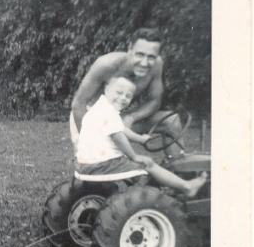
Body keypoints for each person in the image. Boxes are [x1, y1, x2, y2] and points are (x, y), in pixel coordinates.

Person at [76, 75, 206, 197]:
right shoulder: (109, 113)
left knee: (139, 164)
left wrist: (141, 139)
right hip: (104, 165)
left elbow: (123, 130)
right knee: (147, 163)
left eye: (128, 96)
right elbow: (118, 136)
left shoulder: (100, 107)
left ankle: (149, 189)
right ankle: (187, 187)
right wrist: (134, 156)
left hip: (85, 164)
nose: (123, 98)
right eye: (119, 93)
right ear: (106, 89)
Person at [71, 28, 183, 157]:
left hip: (119, 119)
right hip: (91, 121)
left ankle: (179, 169)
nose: (144, 63)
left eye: (151, 56)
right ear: (130, 48)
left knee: (171, 120)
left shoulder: (157, 65)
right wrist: (90, 138)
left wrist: (132, 117)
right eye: (140, 54)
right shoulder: (106, 65)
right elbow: (78, 105)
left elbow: (155, 101)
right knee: (104, 165)